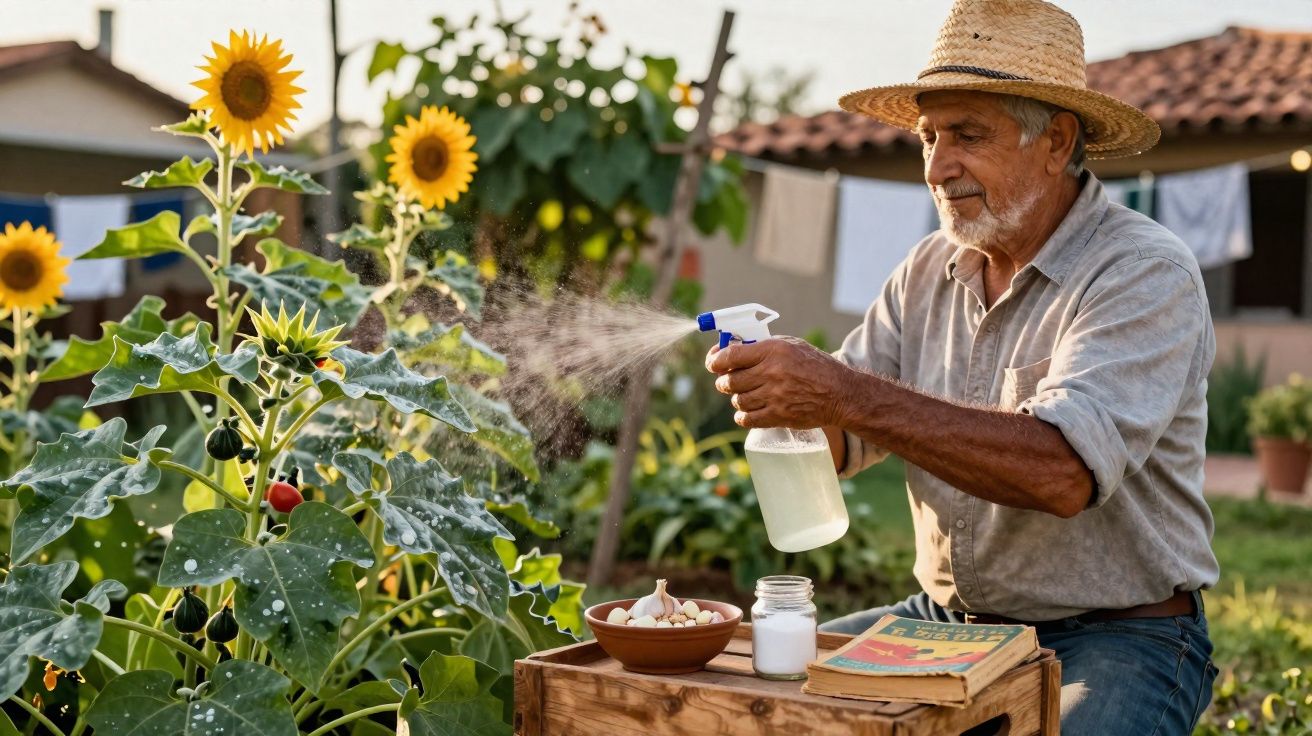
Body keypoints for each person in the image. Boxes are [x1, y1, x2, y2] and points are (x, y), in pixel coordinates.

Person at [705, 1, 1220, 733]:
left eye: (968, 136)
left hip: (1119, 637)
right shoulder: (928, 268)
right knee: (760, 705)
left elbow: (1061, 473)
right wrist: (782, 395)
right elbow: (843, 441)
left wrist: (840, 392)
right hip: (942, 623)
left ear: (1056, 141)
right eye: (929, 137)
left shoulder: (1141, 270)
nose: (938, 167)